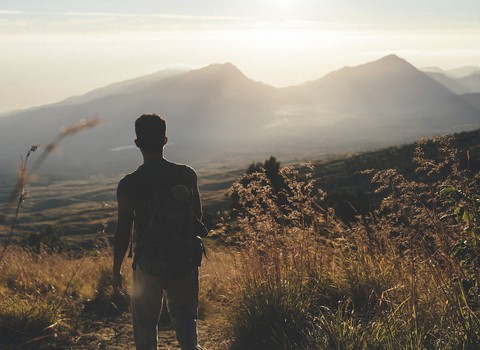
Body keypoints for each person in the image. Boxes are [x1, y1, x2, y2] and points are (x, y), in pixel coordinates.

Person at [113, 114, 204, 350]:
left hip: (148, 263)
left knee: (145, 323)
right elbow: (197, 217)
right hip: (185, 258)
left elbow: (123, 231)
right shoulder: (186, 174)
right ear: (165, 140)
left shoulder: (129, 184)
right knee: (185, 317)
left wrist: (115, 270)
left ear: (137, 143)